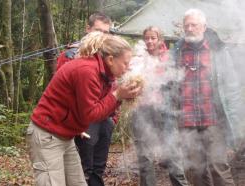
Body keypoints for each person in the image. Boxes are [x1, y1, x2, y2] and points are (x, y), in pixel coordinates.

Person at [26, 32, 143, 186]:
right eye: (125, 63)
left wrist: (123, 96)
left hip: (65, 135)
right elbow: (90, 114)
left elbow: (104, 105)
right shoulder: (87, 70)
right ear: (110, 59)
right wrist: (117, 96)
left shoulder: (105, 75)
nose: (128, 69)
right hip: (47, 135)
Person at [172, 8, 242, 186]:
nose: (189, 28)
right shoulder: (176, 52)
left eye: (193, 25)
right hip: (186, 122)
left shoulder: (218, 50)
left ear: (203, 27)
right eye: (186, 25)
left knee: (218, 167)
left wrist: (235, 122)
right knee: (195, 171)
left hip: (213, 120)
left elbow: (232, 86)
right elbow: (167, 85)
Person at [57, 12, 118, 186]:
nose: (102, 36)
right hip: (84, 120)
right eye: (98, 31)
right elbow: (64, 93)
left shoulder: (109, 55)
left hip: (104, 118)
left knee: (99, 169)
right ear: (88, 29)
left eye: (106, 32)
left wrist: (113, 119)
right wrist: (75, 124)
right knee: (84, 169)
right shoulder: (71, 54)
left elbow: (114, 88)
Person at [129, 26, 189, 186]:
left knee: (172, 154)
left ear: (160, 40)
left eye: (153, 38)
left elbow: (177, 85)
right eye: (147, 38)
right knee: (145, 157)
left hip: (165, 111)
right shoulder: (137, 59)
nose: (149, 41)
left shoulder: (169, 58)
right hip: (141, 112)